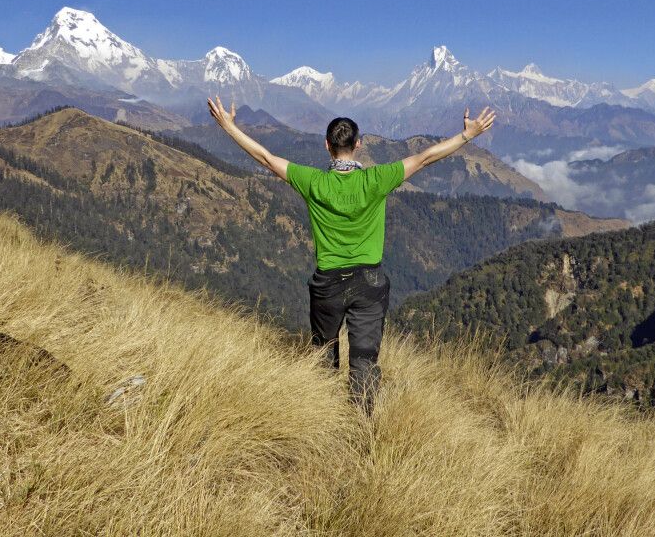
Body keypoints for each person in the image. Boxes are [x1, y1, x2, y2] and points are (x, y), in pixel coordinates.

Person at [206, 95, 496, 413]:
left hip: (327, 284)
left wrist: (228, 127)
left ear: (327, 146)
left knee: (324, 355)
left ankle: (324, 418)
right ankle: (359, 430)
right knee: (363, 361)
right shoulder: (376, 180)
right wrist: (468, 134)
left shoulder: (312, 182)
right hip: (369, 284)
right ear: (358, 145)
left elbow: (265, 157)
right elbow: (426, 158)